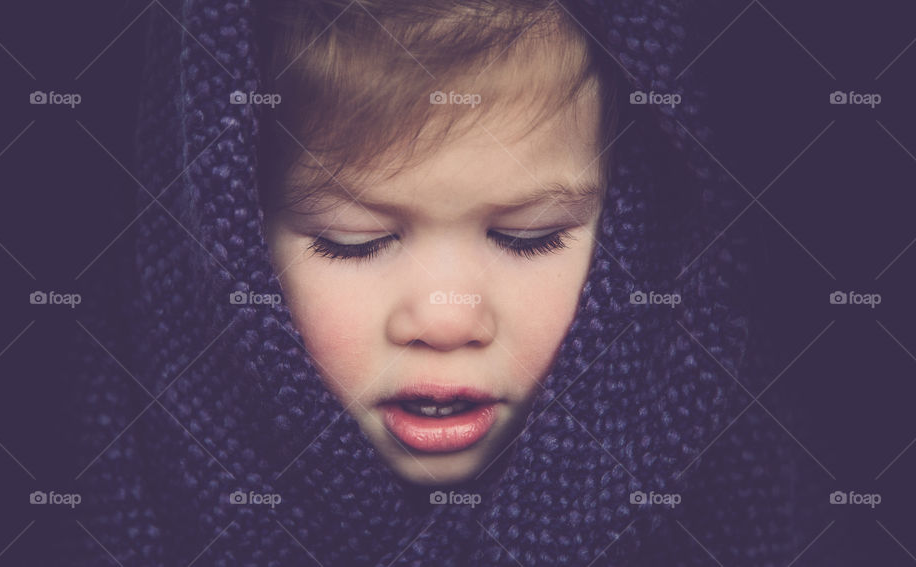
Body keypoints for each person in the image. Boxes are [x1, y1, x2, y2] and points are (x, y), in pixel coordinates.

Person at [71, 0, 816, 564]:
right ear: (227, 245)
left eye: (529, 238)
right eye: (353, 242)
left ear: (633, 234)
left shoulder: (727, 494)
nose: (447, 318)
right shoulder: (109, 491)